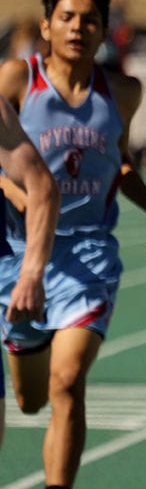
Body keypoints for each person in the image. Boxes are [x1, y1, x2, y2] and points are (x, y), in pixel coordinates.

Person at [0, 0, 146, 489]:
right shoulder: (15, 81)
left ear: (106, 30)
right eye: (68, 17)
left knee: (67, 379)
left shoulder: (122, 92)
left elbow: (119, 163)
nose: (79, 28)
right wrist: (21, 192)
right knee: (28, 398)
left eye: (91, 20)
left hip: (88, 257)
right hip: (20, 257)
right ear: (47, 24)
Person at [0, 96, 60, 452]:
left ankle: (28, 339)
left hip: (8, 268)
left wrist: (31, 276)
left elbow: (42, 187)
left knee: (32, 397)